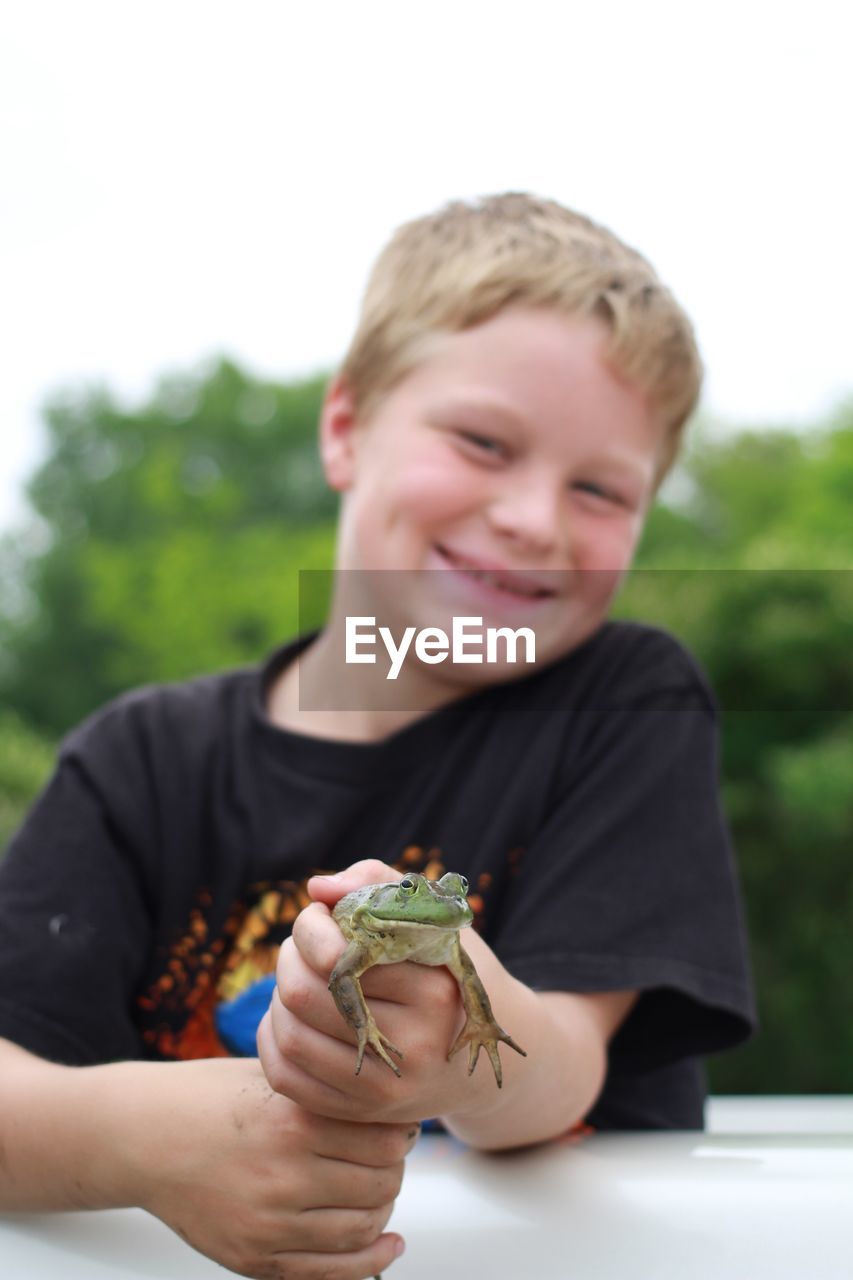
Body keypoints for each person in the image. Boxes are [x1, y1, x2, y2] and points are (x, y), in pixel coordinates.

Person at [0, 193, 755, 1279]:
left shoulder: (625, 698)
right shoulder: (141, 762)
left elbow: (569, 1062)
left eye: (598, 488)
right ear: (346, 427)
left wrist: (448, 1043)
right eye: (482, 441)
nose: (535, 517)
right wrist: (155, 1143)